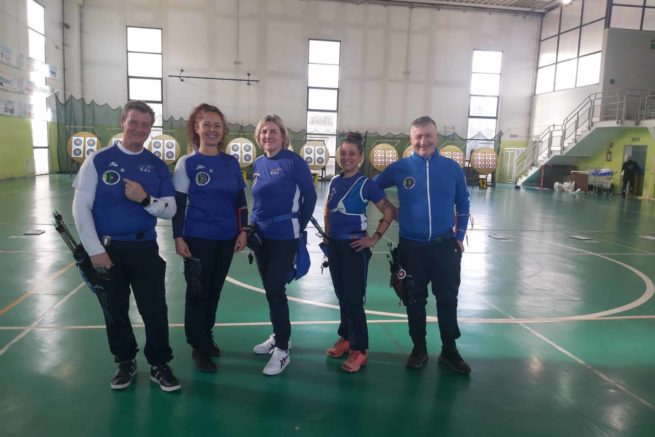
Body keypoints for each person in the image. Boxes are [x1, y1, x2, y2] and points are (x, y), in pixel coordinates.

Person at [72, 100, 181, 391]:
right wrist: (95, 250)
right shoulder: (98, 160)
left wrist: (145, 199)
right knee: (115, 309)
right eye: (134, 122)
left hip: (145, 248)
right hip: (108, 251)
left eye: (146, 125)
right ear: (123, 122)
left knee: (155, 309)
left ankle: (159, 364)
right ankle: (125, 361)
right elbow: (80, 208)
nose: (139, 129)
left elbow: (170, 210)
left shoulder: (157, 166)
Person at [375, 116, 471, 374]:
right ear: (411, 139)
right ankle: (419, 348)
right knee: (414, 300)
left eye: (428, 135)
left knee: (447, 299)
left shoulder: (452, 169)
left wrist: (459, 236)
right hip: (411, 248)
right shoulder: (400, 168)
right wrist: (388, 208)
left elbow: (463, 202)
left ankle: (449, 350)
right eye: (418, 136)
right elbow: (372, 187)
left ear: (436, 137)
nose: (423, 141)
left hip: (444, 246)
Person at [172, 104, 248, 373]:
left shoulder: (231, 163)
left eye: (217, 125)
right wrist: (178, 236)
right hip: (198, 238)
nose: (212, 130)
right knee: (197, 292)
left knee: (214, 291)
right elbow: (179, 204)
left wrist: (243, 230)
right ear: (197, 128)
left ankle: (206, 334)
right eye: (207, 125)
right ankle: (199, 346)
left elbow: (240, 201)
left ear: (223, 130)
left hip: (226, 238)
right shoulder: (187, 163)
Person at [249, 114, 317, 376]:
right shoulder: (258, 164)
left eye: (273, 131)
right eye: (264, 131)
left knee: (275, 288)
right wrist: (250, 227)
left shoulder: (294, 162)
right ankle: (279, 336)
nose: (268, 135)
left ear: (283, 135)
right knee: (270, 289)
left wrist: (299, 225)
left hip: (285, 234)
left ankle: (282, 348)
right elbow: (258, 201)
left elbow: (310, 196)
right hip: (261, 235)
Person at [324, 132, 396, 373]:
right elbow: (328, 209)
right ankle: (345, 338)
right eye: (343, 153)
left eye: (352, 154)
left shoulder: (367, 184)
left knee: (354, 299)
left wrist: (373, 239)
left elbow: (389, 211)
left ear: (360, 157)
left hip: (355, 248)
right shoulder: (335, 181)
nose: (347, 157)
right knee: (342, 296)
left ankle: (360, 350)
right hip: (335, 247)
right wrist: (327, 235)